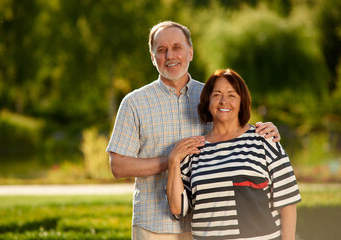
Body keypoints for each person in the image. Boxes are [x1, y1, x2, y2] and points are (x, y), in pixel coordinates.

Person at [107, 21, 281, 240]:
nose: (170, 55)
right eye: (161, 50)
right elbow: (118, 166)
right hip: (153, 226)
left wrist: (265, 129)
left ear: (190, 52)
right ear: (153, 57)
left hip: (207, 225)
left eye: (177, 47)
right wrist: (173, 160)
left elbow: (237, 134)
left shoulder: (212, 96)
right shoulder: (134, 103)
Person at [167, 69, 301, 240]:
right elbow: (178, 209)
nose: (224, 101)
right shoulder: (194, 151)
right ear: (207, 101)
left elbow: (288, 201)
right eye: (217, 95)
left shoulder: (264, 139)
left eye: (232, 95)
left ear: (241, 102)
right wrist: (173, 161)